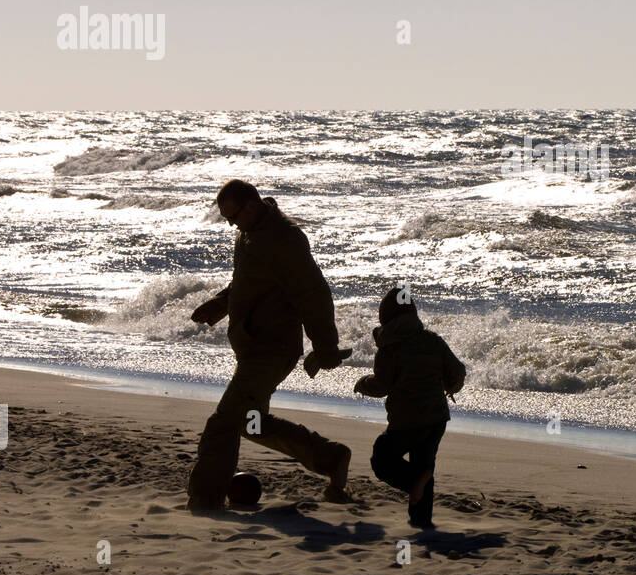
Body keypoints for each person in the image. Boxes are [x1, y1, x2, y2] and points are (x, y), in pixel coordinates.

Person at [185, 179, 353, 515]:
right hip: (253, 347)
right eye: (227, 219)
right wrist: (218, 306)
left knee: (223, 423)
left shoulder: (285, 238)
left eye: (233, 217)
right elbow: (248, 283)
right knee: (251, 423)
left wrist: (326, 348)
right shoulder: (249, 234)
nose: (231, 224)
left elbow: (313, 294)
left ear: (251, 205)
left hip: (272, 349)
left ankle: (204, 500)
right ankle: (330, 457)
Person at [354, 285, 467, 529]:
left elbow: (381, 385)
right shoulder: (433, 341)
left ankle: (414, 482)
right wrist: (450, 385)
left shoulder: (389, 347)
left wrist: (362, 384)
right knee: (424, 465)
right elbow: (458, 372)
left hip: (407, 421)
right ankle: (421, 521)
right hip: (436, 419)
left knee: (382, 459)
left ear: (385, 316)